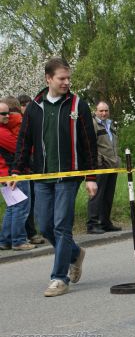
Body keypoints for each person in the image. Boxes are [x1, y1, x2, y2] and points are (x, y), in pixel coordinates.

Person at [9, 57, 98, 297]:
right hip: (42, 176)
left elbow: (89, 144)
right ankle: (75, 254)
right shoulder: (35, 107)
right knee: (45, 225)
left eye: (69, 78)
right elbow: (24, 141)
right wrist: (16, 170)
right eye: (61, 78)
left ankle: (59, 278)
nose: (66, 82)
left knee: (61, 226)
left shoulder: (78, 105)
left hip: (69, 176)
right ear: (48, 78)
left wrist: (91, 177)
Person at [0, 100, 35, 251]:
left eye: (8, 113)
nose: (7, 116)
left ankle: (5, 240)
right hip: (13, 175)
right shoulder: (2, 132)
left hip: (6, 175)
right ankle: (19, 241)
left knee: (12, 207)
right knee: (21, 207)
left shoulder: (4, 128)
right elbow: (20, 147)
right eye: (3, 114)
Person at [16, 94, 47, 245]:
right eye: (23, 105)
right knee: (24, 204)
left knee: (33, 202)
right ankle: (27, 234)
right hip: (24, 167)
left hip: (35, 165)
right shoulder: (18, 124)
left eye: (28, 104)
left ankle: (31, 231)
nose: (26, 107)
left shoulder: (33, 121)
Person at [87, 101, 122, 234]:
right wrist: (99, 161)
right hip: (100, 166)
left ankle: (105, 222)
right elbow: (90, 145)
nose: (104, 113)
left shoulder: (110, 124)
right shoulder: (93, 124)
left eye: (106, 110)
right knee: (96, 195)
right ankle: (92, 224)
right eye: (101, 111)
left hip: (112, 165)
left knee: (108, 196)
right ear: (95, 111)